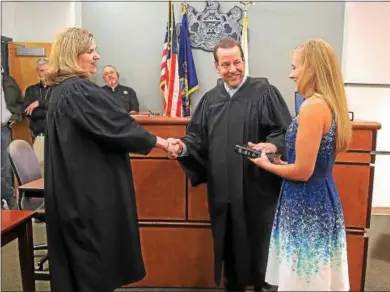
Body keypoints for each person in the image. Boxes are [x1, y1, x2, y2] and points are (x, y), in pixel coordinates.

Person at [43, 27, 179, 292]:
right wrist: (162, 143)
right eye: (91, 51)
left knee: (80, 266)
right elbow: (117, 126)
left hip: (72, 190)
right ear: (73, 55)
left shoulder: (61, 90)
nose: (97, 56)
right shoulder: (78, 91)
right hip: (87, 196)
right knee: (94, 264)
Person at [168, 38, 292, 291]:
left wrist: (272, 146)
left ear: (244, 61)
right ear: (216, 67)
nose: (232, 69)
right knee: (229, 247)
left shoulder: (265, 93)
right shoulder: (210, 100)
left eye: (237, 62)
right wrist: (182, 147)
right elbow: (196, 139)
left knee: (262, 246)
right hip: (223, 192)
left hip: (258, 190)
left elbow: (284, 131)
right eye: (226, 64)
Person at [248, 39, 351, 291]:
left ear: (312, 69)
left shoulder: (313, 107)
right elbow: (309, 164)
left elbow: (303, 172)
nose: (291, 74)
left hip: (306, 203)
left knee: (304, 279)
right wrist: (280, 158)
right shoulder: (328, 103)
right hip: (318, 196)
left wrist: (267, 165)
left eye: (295, 67)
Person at [24, 57, 52, 176]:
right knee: (40, 169)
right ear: (37, 72)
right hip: (39, 136)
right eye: (41, 70)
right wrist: (48, 109)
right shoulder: (31, 90)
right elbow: (28, 113)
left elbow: (60, 110)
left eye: (46, 70)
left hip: (56, 136)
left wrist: (39, 104)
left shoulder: (57, 88)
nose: (44, 73)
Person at [1, 61, 23, 210]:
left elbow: (20, 103)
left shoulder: (9, 80)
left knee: (6, 166)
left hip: (3, 129)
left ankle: (11, 202)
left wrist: (15, 116)